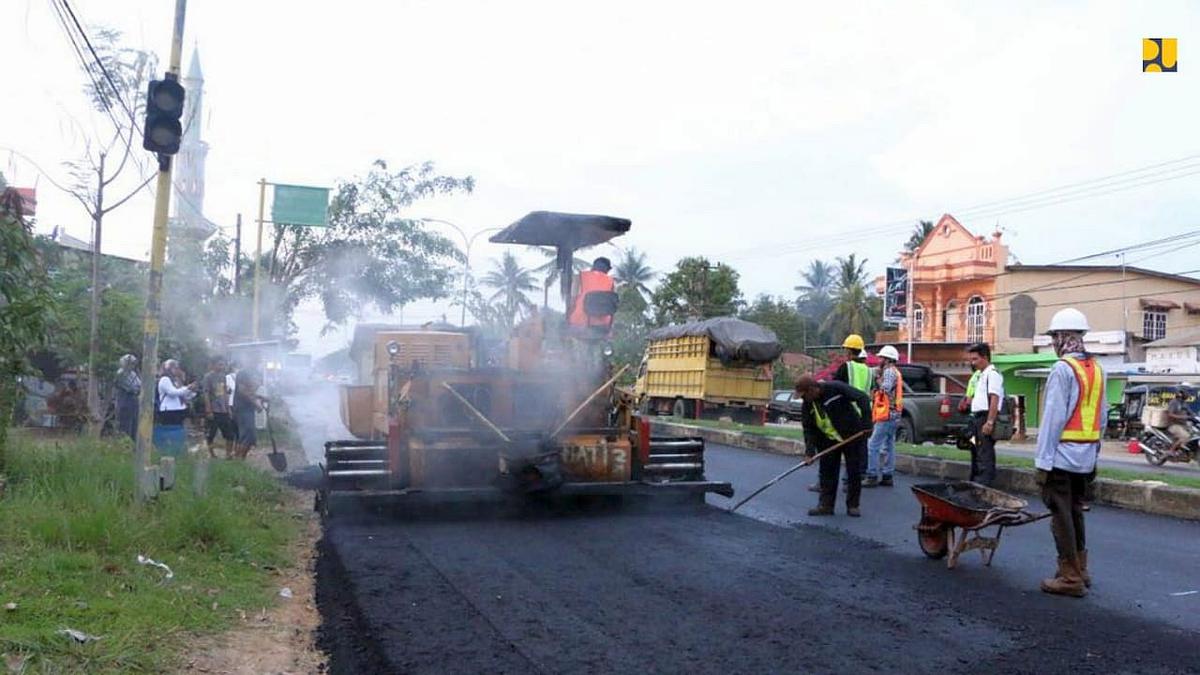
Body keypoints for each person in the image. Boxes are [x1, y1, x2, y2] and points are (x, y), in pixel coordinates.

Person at [1036, 307, 1104, 598]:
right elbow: (1102, 417)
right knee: (1076, 512)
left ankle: (1070, 577)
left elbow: (1052, 419)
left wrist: (1042, 462)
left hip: (1062, 457)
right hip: (1086, 458)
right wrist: (1095, 456)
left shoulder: (1063, 369)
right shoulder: (1097, 369)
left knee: (1061, 516)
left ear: (1062, 338)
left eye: (1055, 336)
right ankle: (1081, 568)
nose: (1054, 342)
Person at [794, 375, 872, 517]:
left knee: (853, 471)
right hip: (827, 440)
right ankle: (826, 505)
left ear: (812, 389)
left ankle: (853, 505)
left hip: (851, 435)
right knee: (827, 472)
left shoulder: (835, 388)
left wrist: (867, 425)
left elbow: (863, 398)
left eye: (804, 395)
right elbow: (808, 429)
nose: (802, 398)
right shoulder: (808, 405)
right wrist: (809, 452)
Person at [863, 345, 903, 488]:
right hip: (893, 413)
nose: (879, 359)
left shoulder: (889, 373)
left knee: (872, 445)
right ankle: (887, 475)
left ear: (887, 359)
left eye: (881, 357)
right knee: (889, 445)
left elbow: (884, 389)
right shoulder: (895, 372)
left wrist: (877, 381)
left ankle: (872, 475)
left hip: (886, 413)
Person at [966, 342, 1004, 486]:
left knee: (984, 452)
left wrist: (990, 422)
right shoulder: (981, 375)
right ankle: (976, 480)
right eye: (971, 359)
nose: (972, 363)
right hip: (976, 418)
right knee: (976, 449)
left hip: (985, 417)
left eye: (975, 359)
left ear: (985, 357)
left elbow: (994, 398)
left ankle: (985, 484)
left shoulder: (992, 374)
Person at [202, 357, 236, 459]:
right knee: (211, 433)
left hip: (223, 410)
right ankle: (211, 453)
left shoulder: (223, 377)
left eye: (223, 364)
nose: (222, 366)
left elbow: (225, 393)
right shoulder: (208, 377)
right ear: (213, 365)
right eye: (219, 364)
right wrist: (209, 409)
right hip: (213, 409)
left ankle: (228, 454)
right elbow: (206, 393)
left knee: (230, 434)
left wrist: (228, 408)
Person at [567, 257, 615, 329]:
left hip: (579, 323)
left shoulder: (580, 277)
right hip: (603, 326)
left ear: (593, 267)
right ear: (607, 270)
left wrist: (567, 316)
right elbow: (613, 305)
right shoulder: (611, 282)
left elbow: (572, 300)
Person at [232, 364, 264, 459]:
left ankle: (241, 460)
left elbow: (250, 391)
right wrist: (256, 404)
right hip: (242, 408)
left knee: (250, 437)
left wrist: (260, 397)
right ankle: (238, 460)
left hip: (249, 409)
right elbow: (242, 391)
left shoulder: (254, 373)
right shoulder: (243, 373)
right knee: (246, 436)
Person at [156, 359, 197, 427]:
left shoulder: (175, 380)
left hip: (179, 409)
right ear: (168, 368)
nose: (177, 370)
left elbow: (183, 394)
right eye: (175, 368)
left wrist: (191, 391)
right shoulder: (165, 379)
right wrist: (187, 388)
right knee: (170, 430)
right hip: (169, 410)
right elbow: (173, 392)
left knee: (177, 430)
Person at [114, 354, 141, 440]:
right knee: (125, 425)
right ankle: (123, 445)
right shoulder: (120, 373)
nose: (132, 366)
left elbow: (140, 385)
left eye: (133, 363)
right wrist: (137, 388)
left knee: (134, 424)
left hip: (134, 401)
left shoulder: (133, 373)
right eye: (130, 363)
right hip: (124, 402)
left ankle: (133, 445)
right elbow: (130, 388)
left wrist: (138, 388)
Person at [1165, 389, 1192, 457]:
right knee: (1186, 436)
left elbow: (1191, 413)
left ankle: (1183, 450)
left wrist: (1195, 416)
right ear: (1180, 395)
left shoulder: (1184, 403)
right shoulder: (1174, 402)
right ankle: (1171, 450)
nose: (1187, 396)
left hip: (1183, 425)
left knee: (1193, 435)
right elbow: (1170, 414)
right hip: (1173, 425)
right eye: (1186, 394)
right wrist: (1181, 417)